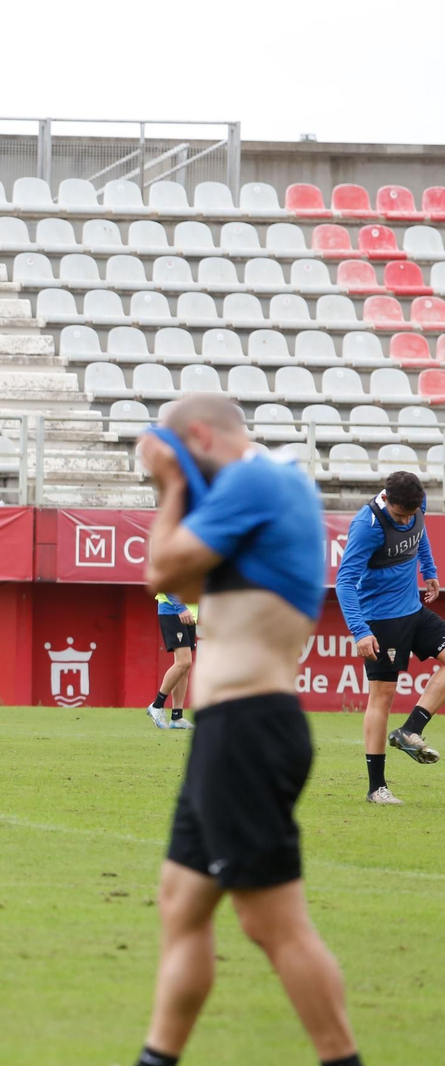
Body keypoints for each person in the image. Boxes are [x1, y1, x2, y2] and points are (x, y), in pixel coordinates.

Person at [132, 395, 361, 1066]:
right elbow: (190, 579)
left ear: (199, 436)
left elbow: (161, 571)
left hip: (249, 728)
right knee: (181, 903)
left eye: (179, 453)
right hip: (228, 730)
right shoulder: (272, 486)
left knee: (272, 924)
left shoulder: (258, 478)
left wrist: (171, 481)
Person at [334, 469, 444, 805]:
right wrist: (360, 630)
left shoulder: (415, 504)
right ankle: (377, 788)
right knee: (382, 697)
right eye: (400, 513)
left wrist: (429, 571)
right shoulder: (366, 527)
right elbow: (344, 582)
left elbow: (420, 533)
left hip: (413, 609)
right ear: (387, 499)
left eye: (412, 512)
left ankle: (410, 730)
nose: (406, 518)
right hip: (381, 621)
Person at [147, 593, 197, 731]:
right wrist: (181, 608)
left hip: (189, 614)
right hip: (174, 611)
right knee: (184, 662)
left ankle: (177, 717)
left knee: (185, 667)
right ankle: (157, 705)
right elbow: (168, 583)